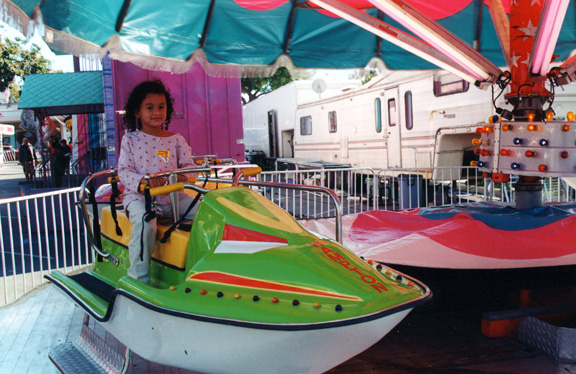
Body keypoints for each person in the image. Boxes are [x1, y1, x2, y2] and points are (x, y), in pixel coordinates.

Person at [118, 80, 198, 284]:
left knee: (207, 211)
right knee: (146, 223)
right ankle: (138, 279)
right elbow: (124, 171)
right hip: (140, 199)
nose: (157, 112)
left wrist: (183, 175)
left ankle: (204, 272)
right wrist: (143, 182)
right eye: (150, 107)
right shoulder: (130, 140)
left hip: (174, 198)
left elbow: (190, 168)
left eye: (161, 107)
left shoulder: (176, 139)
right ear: (137, 112)